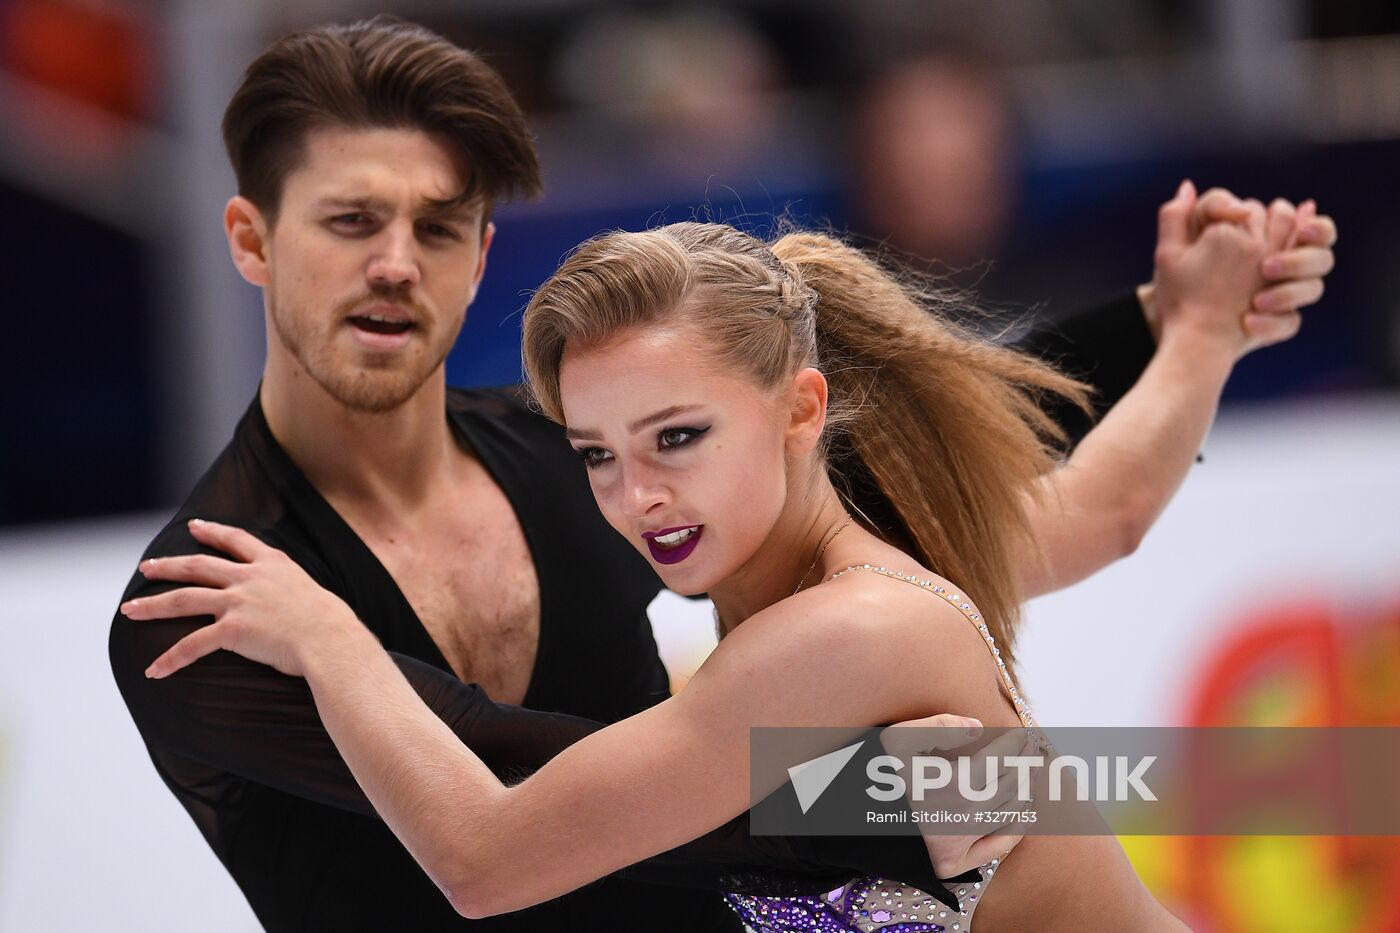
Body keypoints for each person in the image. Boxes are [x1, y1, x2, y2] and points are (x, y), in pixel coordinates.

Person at [107, 15, 1338, 932]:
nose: (635, 492)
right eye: (347, 221)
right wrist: (865, 805)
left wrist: (1170, 326)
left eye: (433, 224)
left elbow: (1022, 472)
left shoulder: (786, 589)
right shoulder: (215, 599)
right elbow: (521, 794)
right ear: (252, 240)